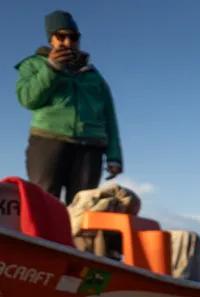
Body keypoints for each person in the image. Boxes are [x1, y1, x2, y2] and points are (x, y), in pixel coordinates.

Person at [15, 10, 123, 205]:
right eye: (61, 36)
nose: (67, 42)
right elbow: (28, 99)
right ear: (51, 40)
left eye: (73, 37)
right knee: (44, 202)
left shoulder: (94, 76)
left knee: (83, 206)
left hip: (91, 148)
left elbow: (109, 116)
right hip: (48, 141)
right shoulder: (32, 65)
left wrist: (114, 156)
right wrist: (52, 68)